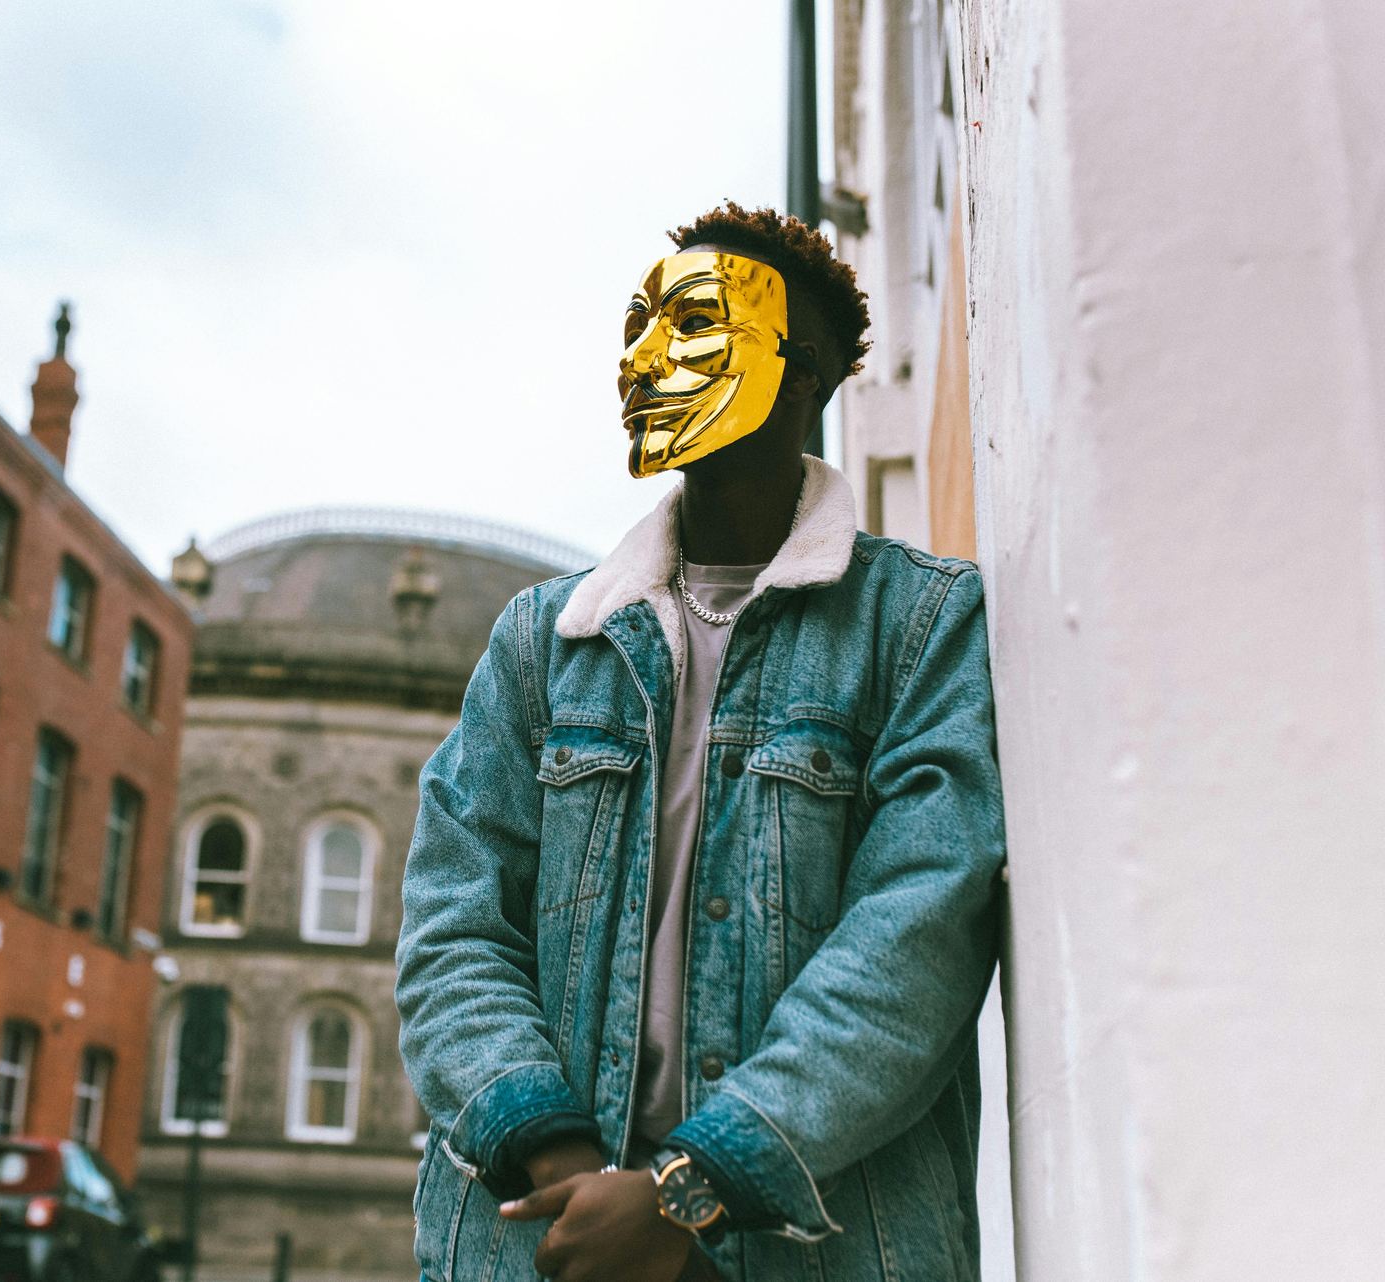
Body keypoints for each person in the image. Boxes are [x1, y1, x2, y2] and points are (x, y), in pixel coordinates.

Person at [396, 202, 1006, 1282]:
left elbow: (920, 935)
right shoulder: (545, 641)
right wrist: (572, 1170)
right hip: (548, 1242)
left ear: (803, 371)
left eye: (691, 325)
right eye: (636, 326)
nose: (642, 359)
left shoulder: (919, 626)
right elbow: (453, 927)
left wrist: (689, 1189)